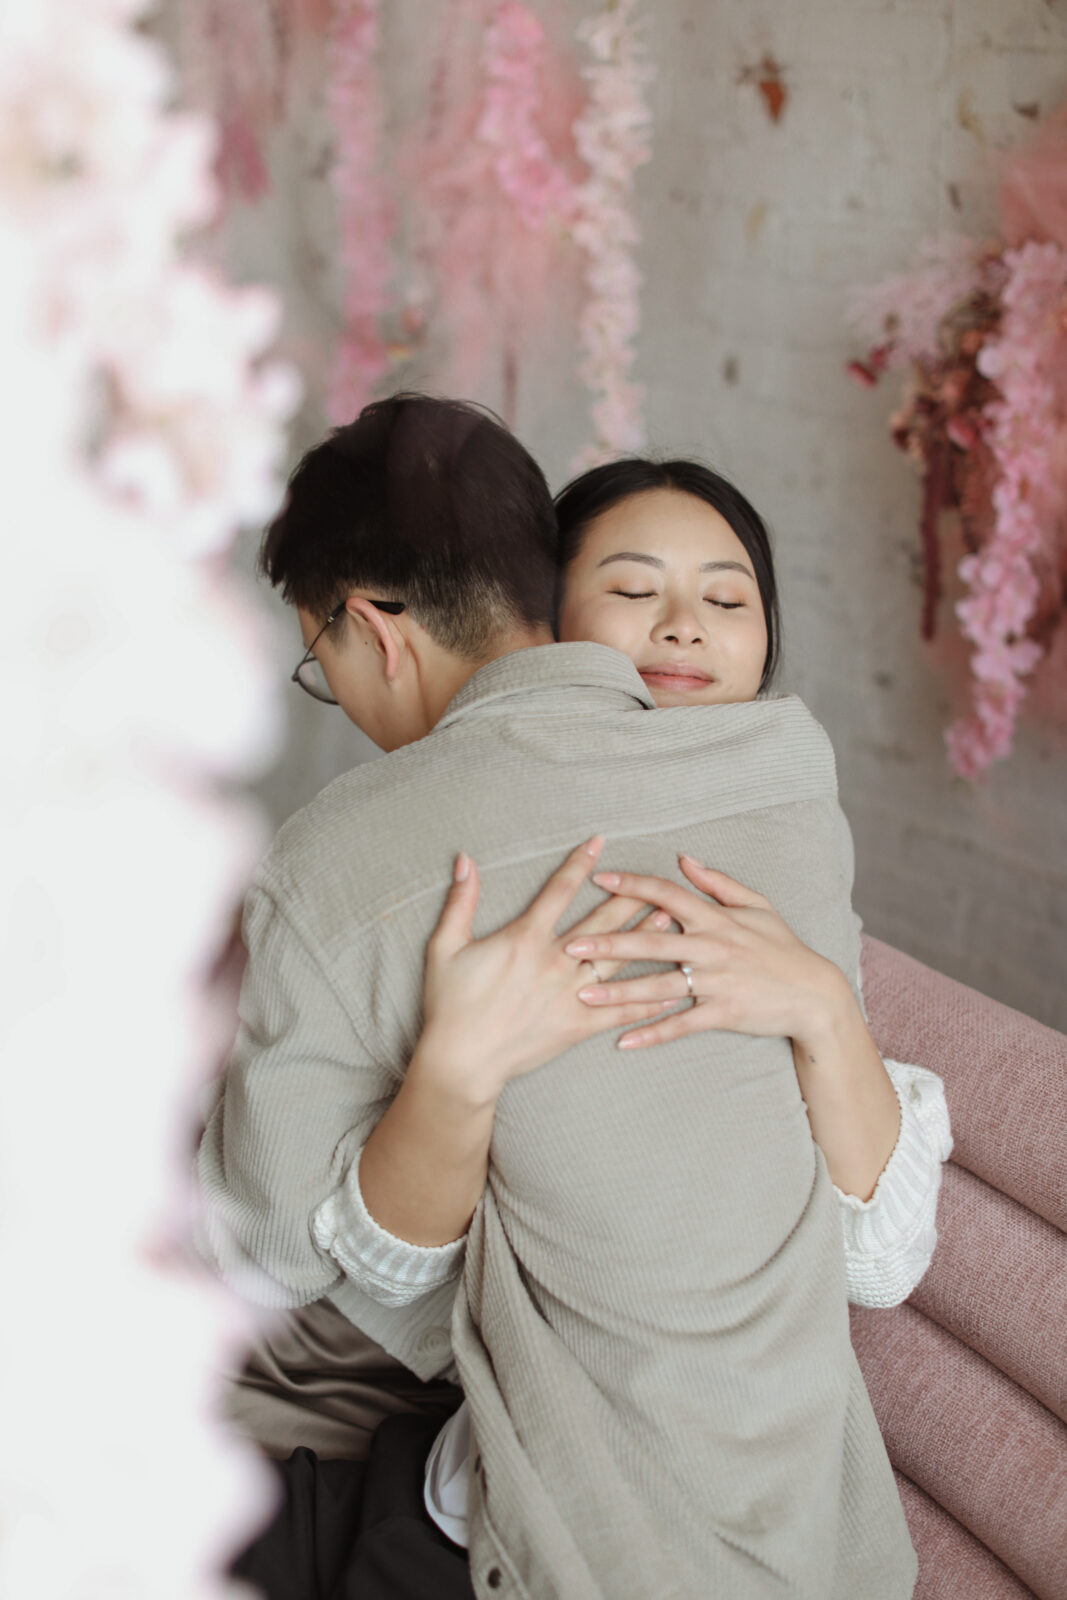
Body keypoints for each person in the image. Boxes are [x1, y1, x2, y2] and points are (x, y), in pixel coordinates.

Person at [199, 396, 949, 1599]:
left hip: (555, 1546)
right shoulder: (793, 778)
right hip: (822, 1541)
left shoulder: (340, 858)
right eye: (639, 587)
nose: (683, 632)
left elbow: (264, 1243)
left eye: (318, 657)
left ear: (374, 631)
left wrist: (817, 1006)